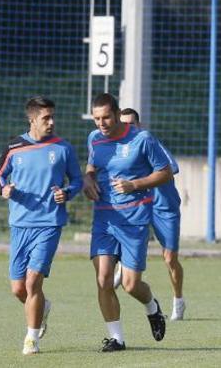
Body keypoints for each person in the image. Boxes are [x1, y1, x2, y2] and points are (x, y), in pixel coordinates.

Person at [0, 96, 82, 355]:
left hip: (49, 223)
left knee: (32, 283)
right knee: (18, 289)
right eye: (46, 118)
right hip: (20, 224)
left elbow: (76, 179)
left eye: (53, 116)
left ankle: (31, 339)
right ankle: (42, 309)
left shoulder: (63, 148)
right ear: (32, 119)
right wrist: (5, 188)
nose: (52, 122)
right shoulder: (14, 147)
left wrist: (67, 192)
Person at [83, 93, 171, 352]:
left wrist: (135, 184)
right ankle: (117, 338)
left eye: (106, 117)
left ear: (117, 113)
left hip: (134, 221)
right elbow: (91, 167)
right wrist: (88, 179)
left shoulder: (142, 139)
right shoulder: (94, 139)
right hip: (104, 220)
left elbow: (165, 172)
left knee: (131, 284)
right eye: (97, 118)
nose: (101, 123)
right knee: (104, 279)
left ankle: (152, 307)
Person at [116, 108, 186, 321]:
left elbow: (171, 168)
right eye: (124, 124)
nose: (129, 128)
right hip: (138, 207)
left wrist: (138, 179)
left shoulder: (150, 142)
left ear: (139, 125)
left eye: (132, 124)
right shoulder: (120, 150)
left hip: (164, 207)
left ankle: (178, 300)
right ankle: (122, 266)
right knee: (128, 240)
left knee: (170, 258)